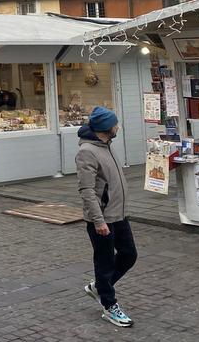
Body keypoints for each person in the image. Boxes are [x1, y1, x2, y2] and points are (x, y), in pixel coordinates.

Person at [76, 106, 137, 328]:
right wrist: (98, 221)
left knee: (129, 255)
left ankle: (100, 287)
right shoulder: (87, 152)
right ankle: (110, 306)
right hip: (101, 219)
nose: (118, 127)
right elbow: (86, 190)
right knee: (105, 263)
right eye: (115, 124)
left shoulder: (107, 146)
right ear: (105, 128)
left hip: (119, 214)